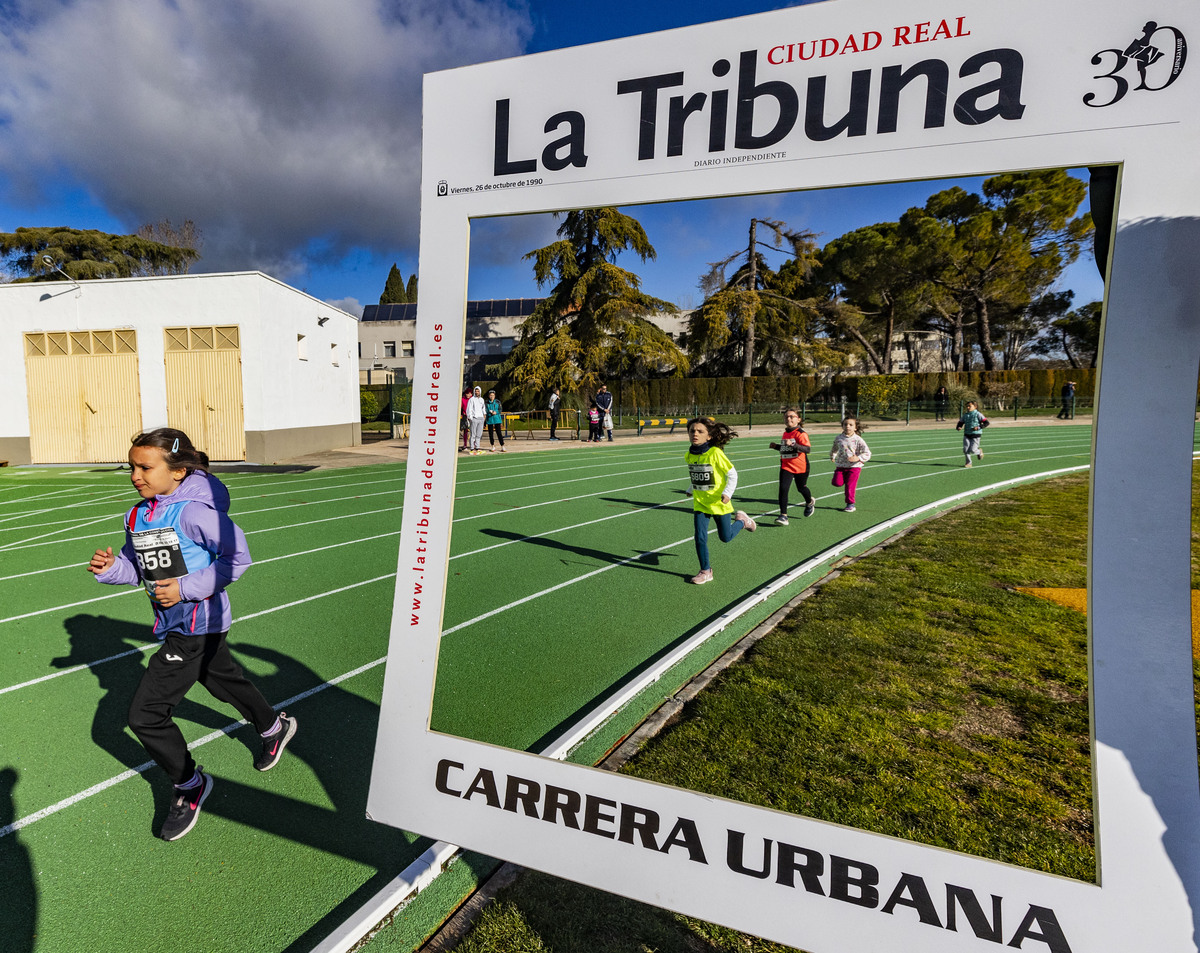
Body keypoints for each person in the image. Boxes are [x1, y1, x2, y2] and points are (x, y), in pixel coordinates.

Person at [87, 428, 296, 841]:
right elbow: (140, 569)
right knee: (222, 681)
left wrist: (185, 588)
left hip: (197, 625)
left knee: (145, 715)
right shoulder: (137, 515)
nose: (135, 475)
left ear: (179, 471)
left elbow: (239, 557)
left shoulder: (196, 513)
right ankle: (273, 728)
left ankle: (189, 784)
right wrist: (113, 570)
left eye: (146, 467)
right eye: (132, 466)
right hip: (178, 625)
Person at [685, 416, 756, 584]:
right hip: (701, 503)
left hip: (719, 503)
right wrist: (690, 489)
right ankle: (705, 571)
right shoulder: (689, 454)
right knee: (700, 536)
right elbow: (697, 473)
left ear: (709, 436)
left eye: (700, 431)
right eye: (692, 431)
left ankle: (742, 521)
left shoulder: (715, 453)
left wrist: (728, 493)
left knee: (726, 537)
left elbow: (732, 474)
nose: (695, 434)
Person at [769, 408, 814, 524]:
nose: (788, 418)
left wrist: (794, 444)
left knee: (801, 488)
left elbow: (807, 449)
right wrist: (776, 446)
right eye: (786, 417)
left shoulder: (801, 433)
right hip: (786, 466)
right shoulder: (786, 433)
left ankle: (809, 502)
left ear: (798, 419)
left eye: (792, 416)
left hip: (801, 466)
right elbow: (786, 449)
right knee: (783, 489)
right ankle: (783, 516)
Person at [829, 416, 871, 512]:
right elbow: (834, 448)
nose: (848, 426)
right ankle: (842, 481)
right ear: (842, 426)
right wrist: (832, 455)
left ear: (855, 427)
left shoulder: (858, 439)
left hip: (854, 467)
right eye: (845, 424)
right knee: (836, 483)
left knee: (850, 486)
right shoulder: (838, 438)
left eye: (851, 425)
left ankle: (850, 504)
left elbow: (867, 453)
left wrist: (858, 458)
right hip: (841, 465)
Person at [957, 399, 990, 466]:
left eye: (969, 406)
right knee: (965, 449)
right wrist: (959, 427)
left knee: (973, 450)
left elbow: (986, 423)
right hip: (967, 434)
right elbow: (960, 422)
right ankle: (968, 463)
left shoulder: (978, 414)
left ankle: (979, 452)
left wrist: (978, 427)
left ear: (975, 407)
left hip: (976, 434)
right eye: (967, 406)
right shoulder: (965, 415)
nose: (968, 407)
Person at [465, 386, 487, 454]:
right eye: (476, 391)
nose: (477, 392)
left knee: (479, 434)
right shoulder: (471, 399)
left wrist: (484, 415)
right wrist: (470, 418)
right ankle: (472, 447)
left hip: (481, 418)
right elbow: (469, 409)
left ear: (480, 392)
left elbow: (483, 408)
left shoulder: (482, 400)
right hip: (474, 418)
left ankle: (477, 447)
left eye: (478, 391)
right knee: (473, 434)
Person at [459, 386, 472, 452]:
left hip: (472, 416)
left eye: (469, 393)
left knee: (473, 431)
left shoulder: (472, 399)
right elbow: (460, 407)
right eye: (467, 393)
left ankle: (473, 445)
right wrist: (462, 413)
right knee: (465, 431)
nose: (468, 395)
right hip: (465, 417)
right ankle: (465, 445)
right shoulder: (462, 399)